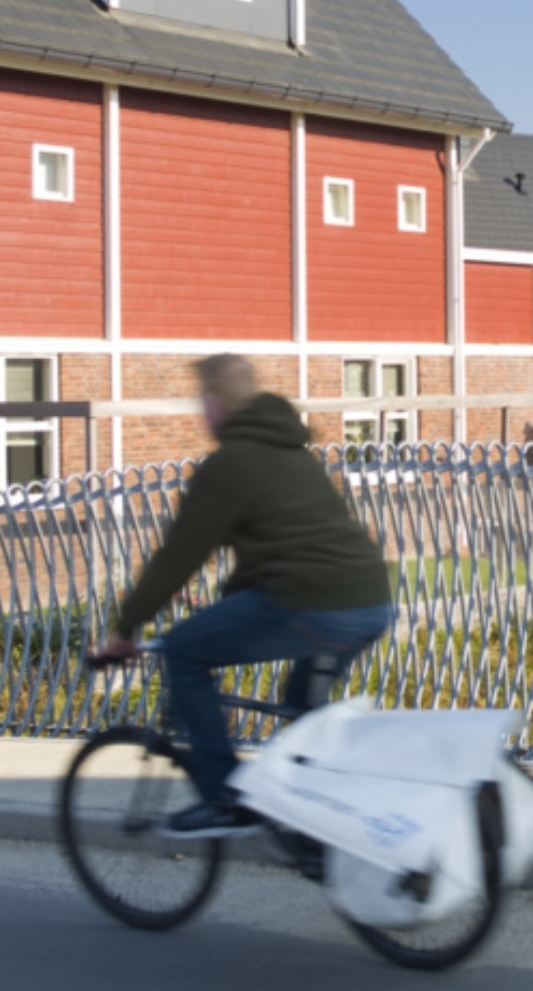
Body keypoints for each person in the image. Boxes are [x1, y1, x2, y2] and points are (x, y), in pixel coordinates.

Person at [91, 354, 394, 838]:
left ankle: (224, 800)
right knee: (300, 702)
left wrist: (125, 630)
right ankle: (320, 822)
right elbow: (264, 562)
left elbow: (177, 559)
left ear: (216, 403)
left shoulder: (229, 464)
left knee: (184, 652)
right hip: (371, 601)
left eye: (202, 402)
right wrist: (224, 613)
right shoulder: (294, 453)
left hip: (313, 603)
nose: (201, 413)